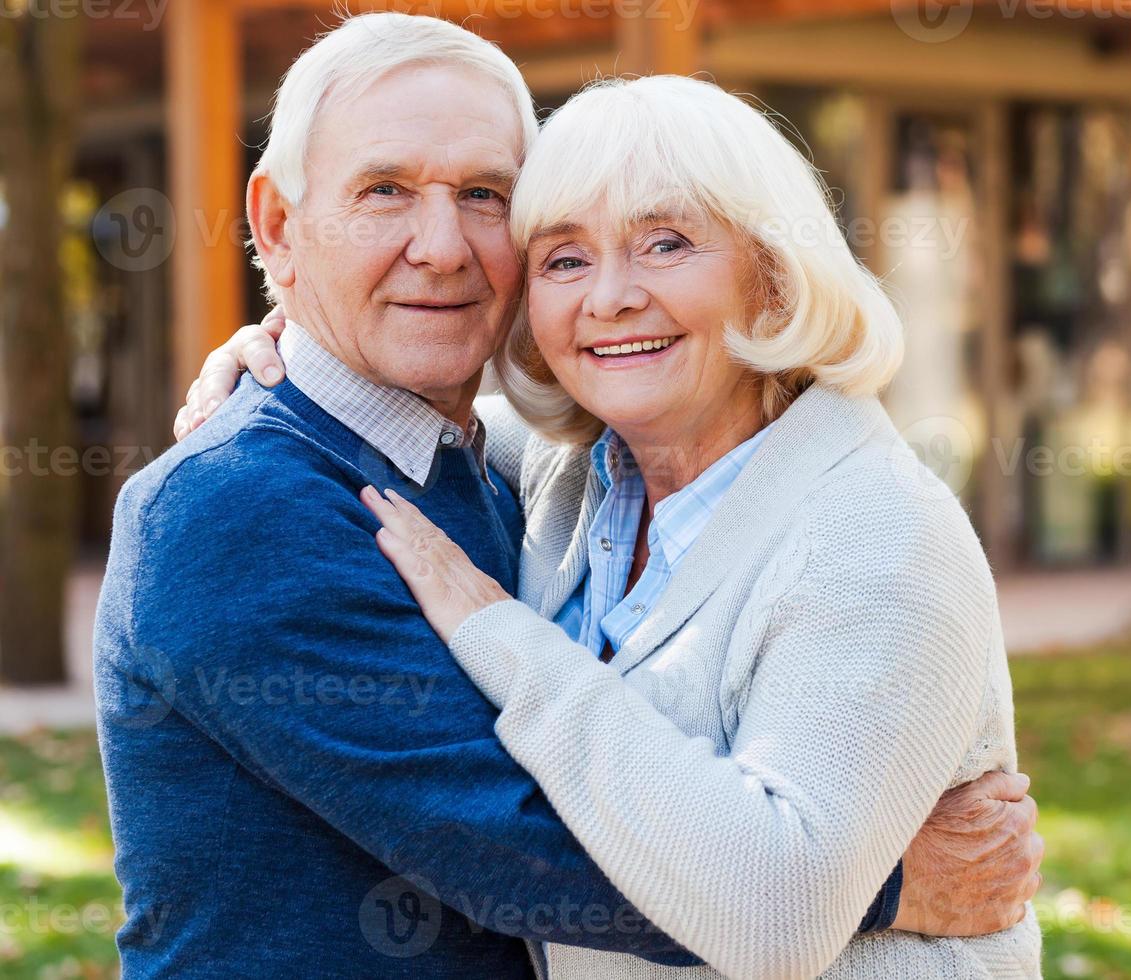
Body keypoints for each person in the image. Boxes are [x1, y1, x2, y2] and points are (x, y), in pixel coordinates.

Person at [101, 13, 1040, 979]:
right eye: (383, 192)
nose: (440, 247)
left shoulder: (527, 471)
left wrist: (810, 886)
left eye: (482, 197)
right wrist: (887, 886)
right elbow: (516, 836)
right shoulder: (245, 507)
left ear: (774, 270)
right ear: (277, 227)